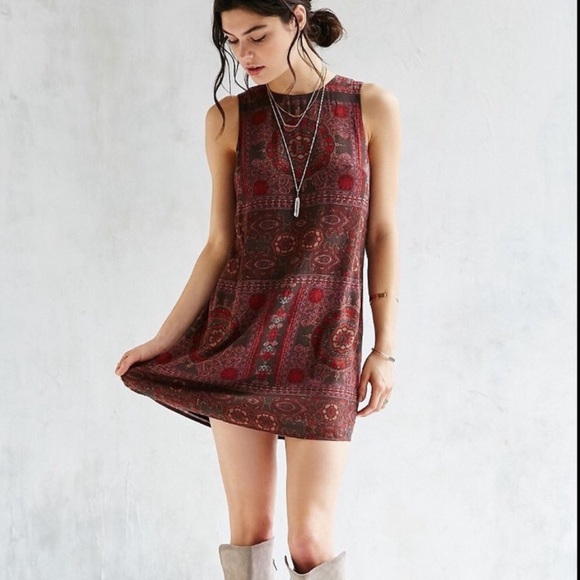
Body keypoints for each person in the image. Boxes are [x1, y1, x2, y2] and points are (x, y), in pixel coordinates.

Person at [115, 1, 400, 578]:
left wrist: (384, 348)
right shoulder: (227, 119)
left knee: (311, 543)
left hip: (327, 342)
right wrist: (163, 340)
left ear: (297, 18)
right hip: (238, 340)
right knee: (250, 531)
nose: (244, 54)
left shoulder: (369, 107)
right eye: (232, 41)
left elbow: (382, 232)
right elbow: (218, 246)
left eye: (257, 36)